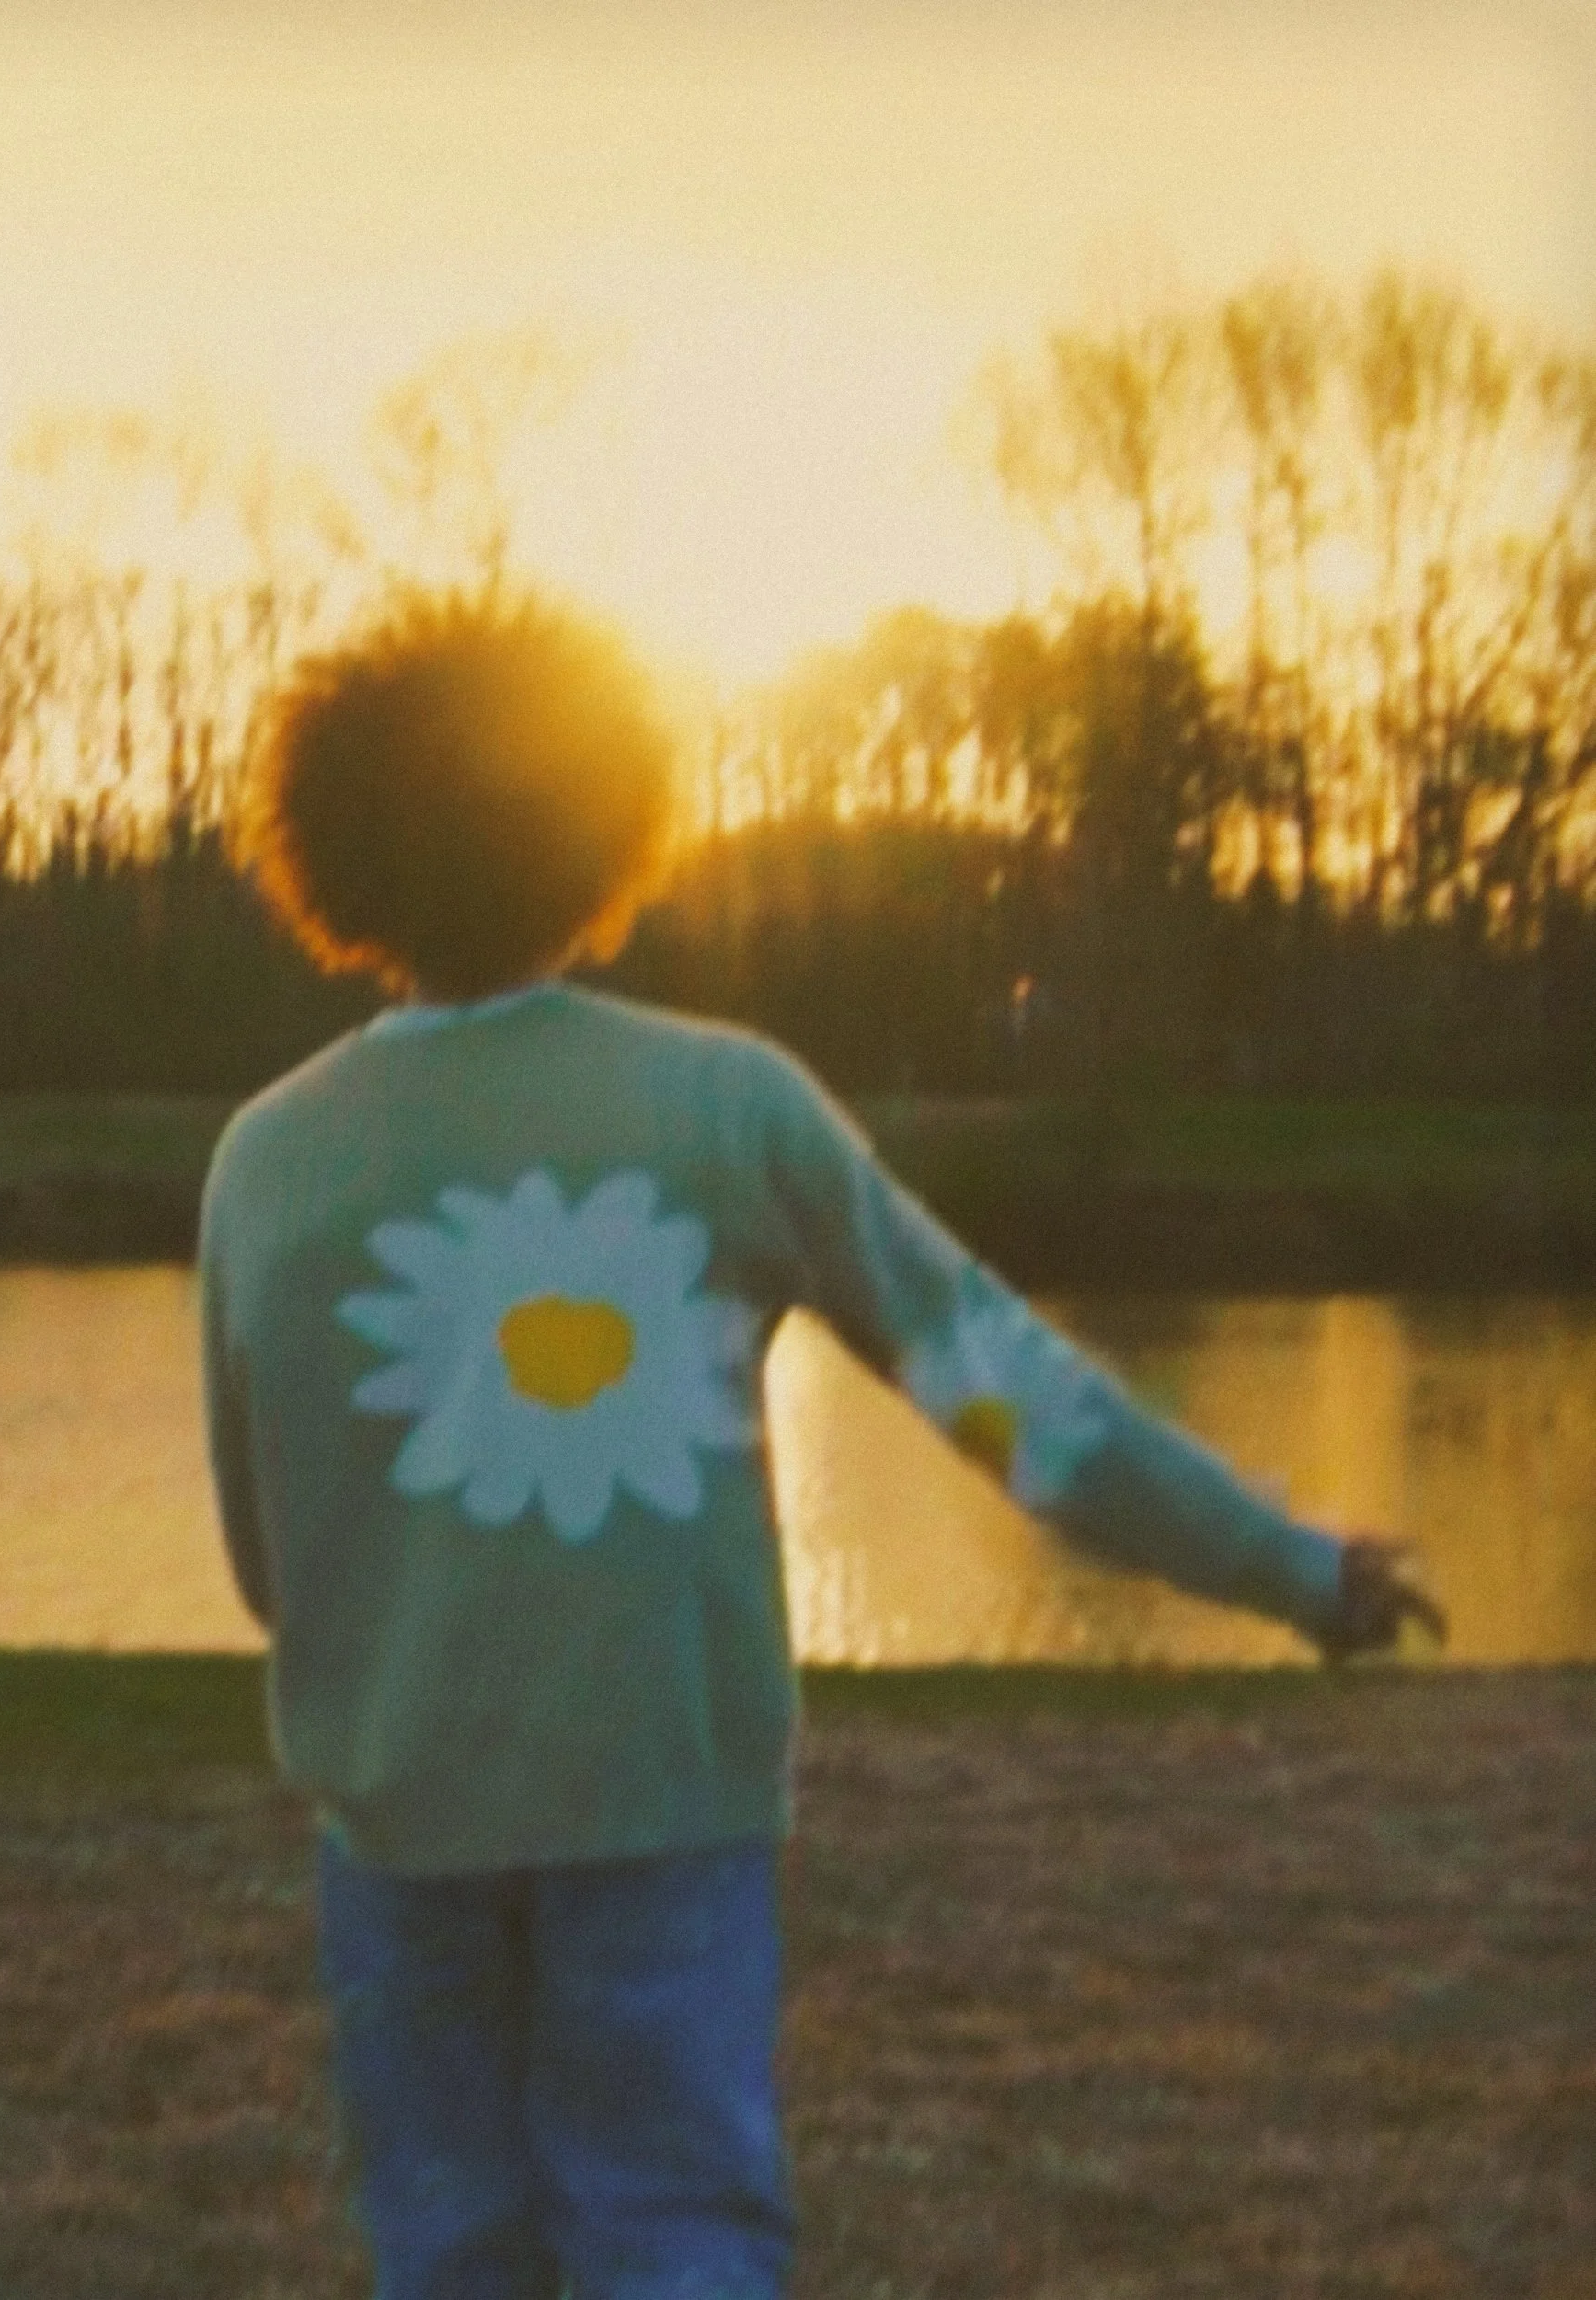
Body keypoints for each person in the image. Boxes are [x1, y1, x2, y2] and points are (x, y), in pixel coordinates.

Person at [195, 586, 1444, 2300]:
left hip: (397, 1816)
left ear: (328, 855)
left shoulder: (268, 1159)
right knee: (678, 2227)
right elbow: (1005, 1395)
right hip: (665, 1792)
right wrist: (1289, 1568)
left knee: (452, 2247)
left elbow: (270, 1558)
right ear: (606, 838)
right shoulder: (727, 1107)